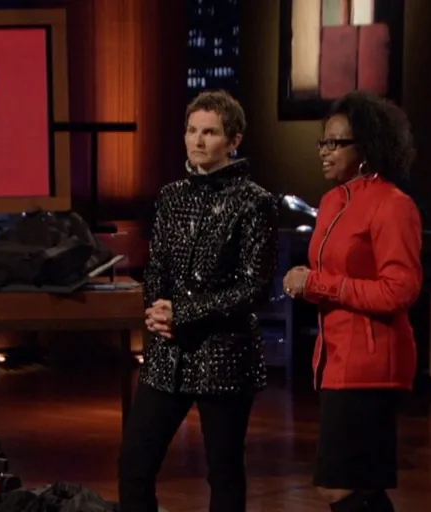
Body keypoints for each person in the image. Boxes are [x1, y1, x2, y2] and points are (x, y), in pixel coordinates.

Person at [118, 90, 279, 512]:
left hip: (224, 353)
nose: (198, 140)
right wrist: (157, 310)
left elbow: (255, 287)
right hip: (168, 351)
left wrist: (184, 313)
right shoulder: (171, 196)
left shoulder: (255, 202)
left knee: (224, 473)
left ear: (234, 140)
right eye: (192, 130)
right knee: (134, 463)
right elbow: (156, 266)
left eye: (209, 132)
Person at [282, 90, 422, 512]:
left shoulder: (393, 205)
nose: (324, 151)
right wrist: (307, 281)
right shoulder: (331, 202)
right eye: (322, 142)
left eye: (336, 143)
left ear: (366, 148)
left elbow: (400, 290)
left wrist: (317, 284)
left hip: (371, 365)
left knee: (339, 487)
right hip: (335, 359)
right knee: (362, 488)